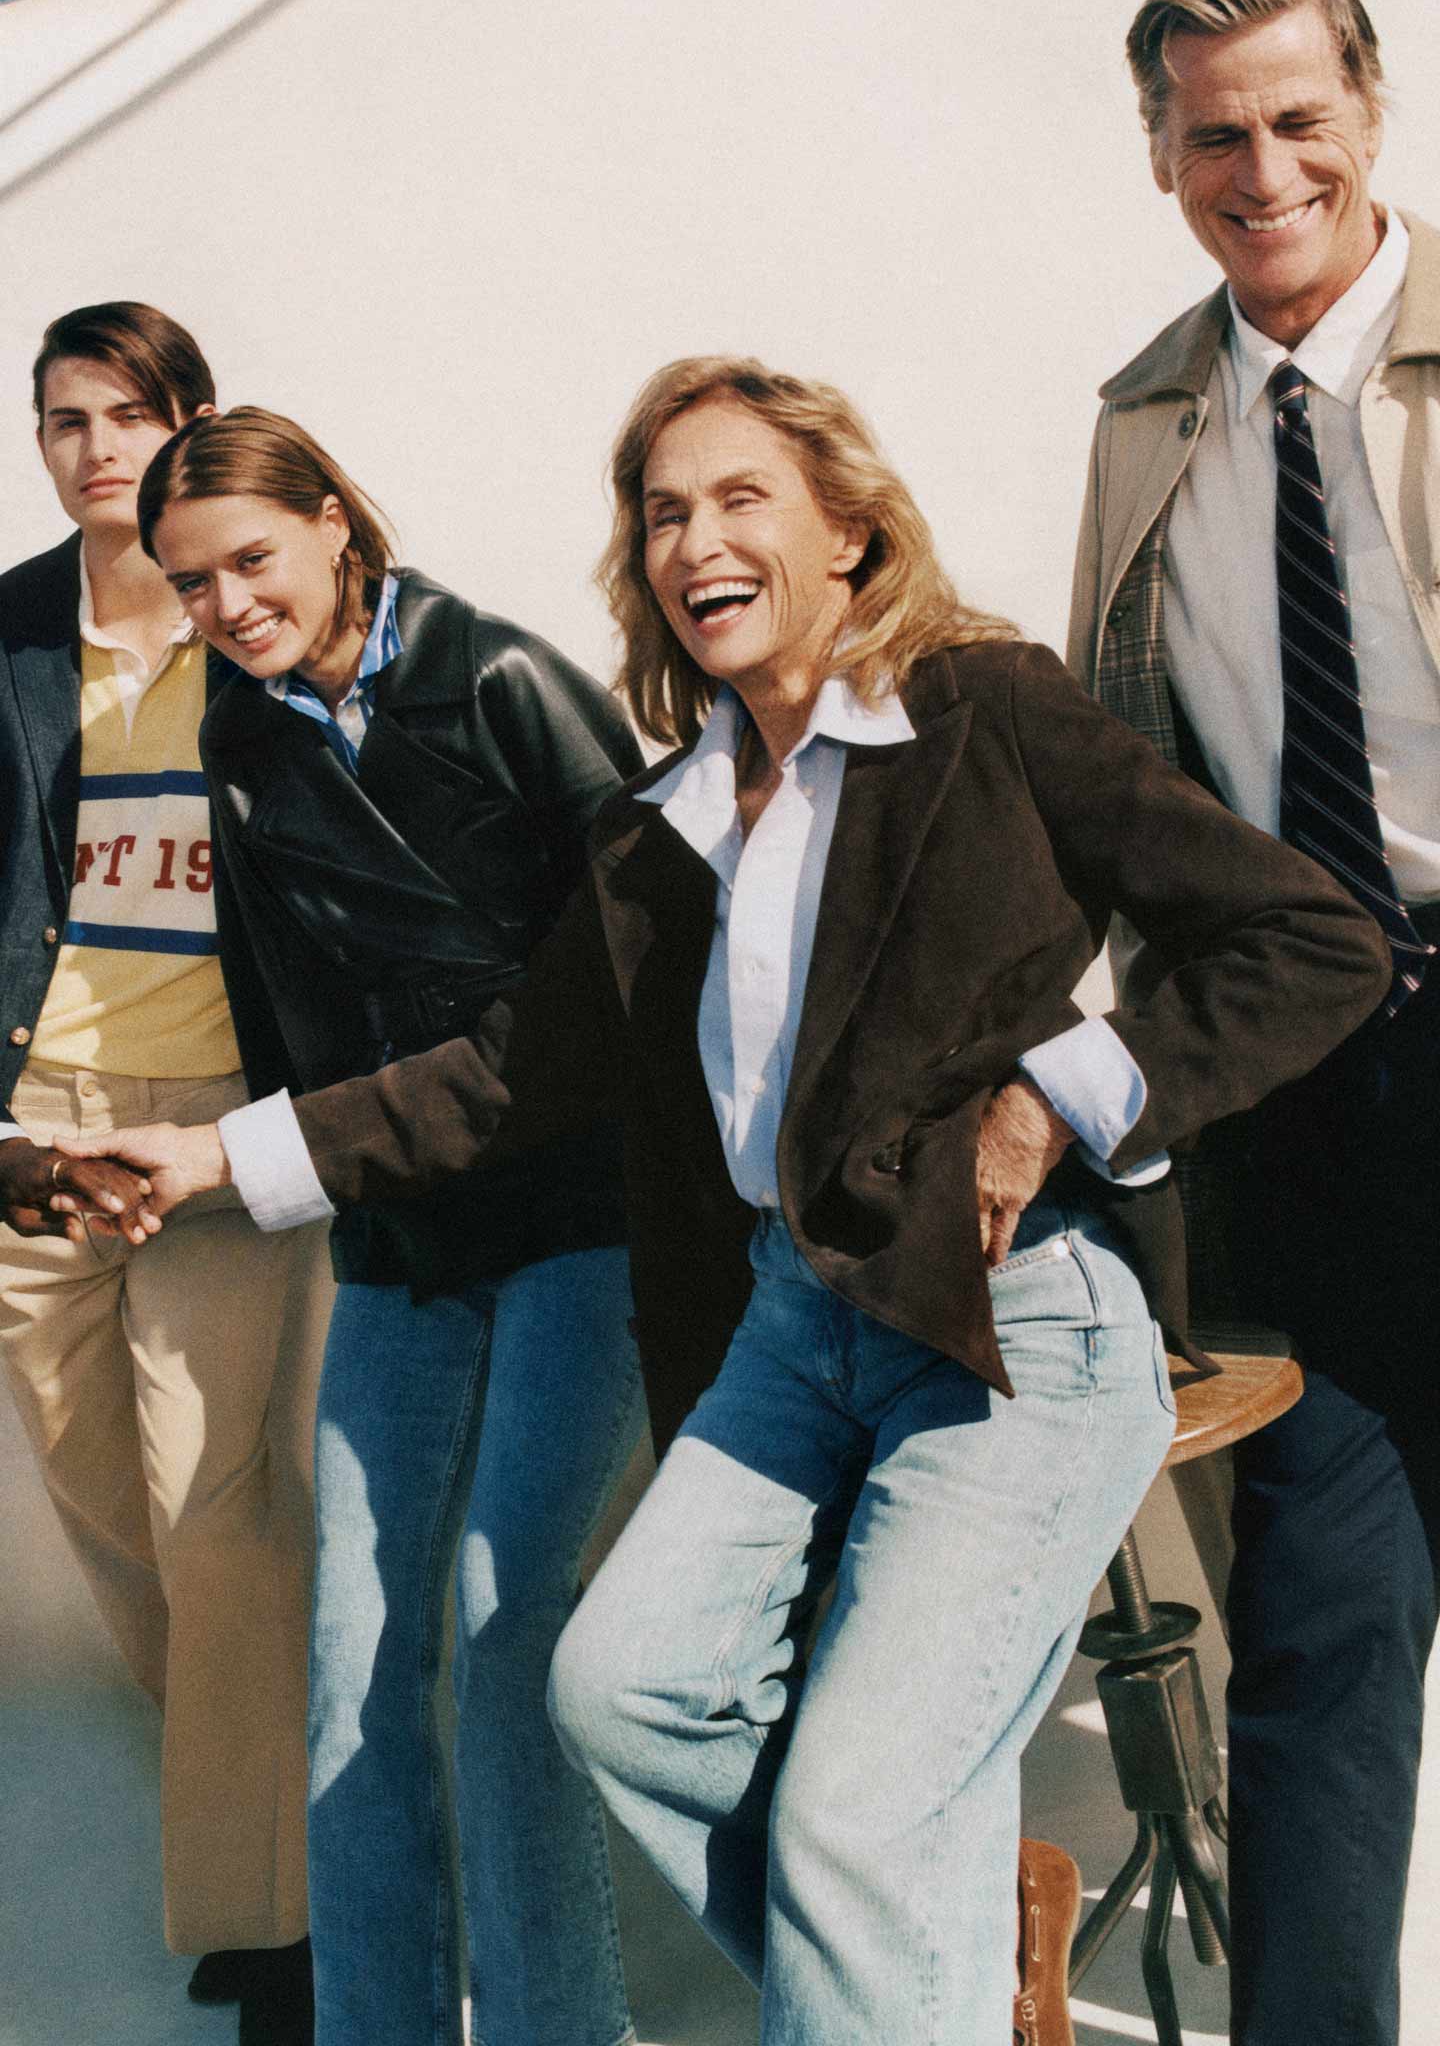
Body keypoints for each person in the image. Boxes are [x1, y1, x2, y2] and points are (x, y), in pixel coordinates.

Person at [75, 356, 1389, 2045]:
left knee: (850, 1815)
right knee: (622, 1695)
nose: (697, 538)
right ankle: (939, 1979)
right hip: (791, 1332)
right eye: (664, 512)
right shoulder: (664, 829)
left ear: (849, 529)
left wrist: (1051, 1102)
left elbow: (1309, 941)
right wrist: (218, 1157)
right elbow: (505, 1077)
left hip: (1014, 1323)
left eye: (741, 496)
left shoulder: (983, 711)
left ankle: (905, 1963)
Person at [129, 405, 647, 2046]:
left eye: (250, 560)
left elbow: (636, 982)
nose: (226, 607)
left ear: (335, 521)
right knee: (349, 1660)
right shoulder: (236, 728)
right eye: (188, 582)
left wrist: (264, 1157)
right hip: (398, 1241)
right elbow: (276, 994)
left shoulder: (506, 683)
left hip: (579, 1221)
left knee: (505, 1651)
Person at [1066, 0, 1440, 2045]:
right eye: (1217, 135)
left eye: (1302, 118)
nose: (1266, 169)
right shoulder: (1146, 423)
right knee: (1312, 1634)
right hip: (1294, 1089)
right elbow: (1118, 790)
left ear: (1371, 111)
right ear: (1159, 156)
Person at [0, 306, 334, 2044]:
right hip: (37, 1128)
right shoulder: (8, 633)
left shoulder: (249, 618)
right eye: (67, 419)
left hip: (211, 1123)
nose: (98, 449)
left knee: (217, 1516)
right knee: (112, 1523)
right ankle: (255, 1825)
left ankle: (271, 1922)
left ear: (193, 420)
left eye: (129, 414)